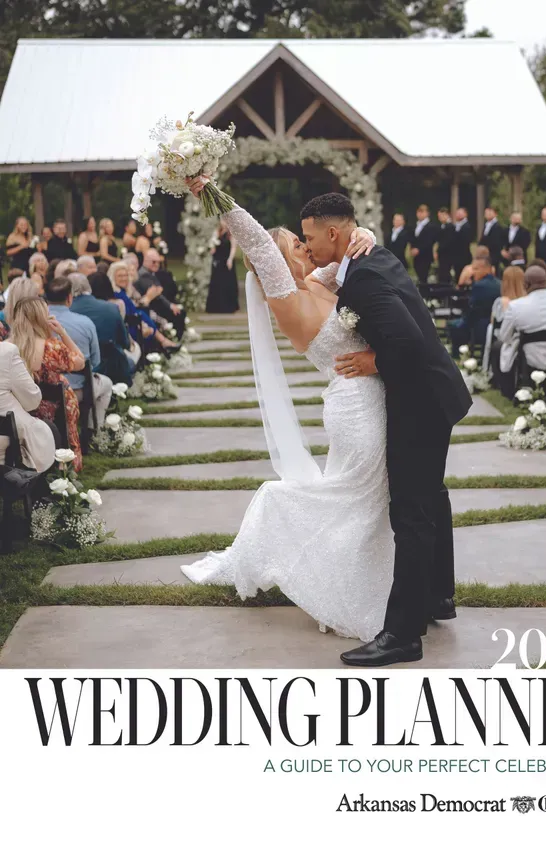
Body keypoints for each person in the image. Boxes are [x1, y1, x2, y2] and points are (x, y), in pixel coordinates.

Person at [182, 185, 471, 666]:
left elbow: (352, 247)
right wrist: (211, 191)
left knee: (400, 503)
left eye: (307, 238)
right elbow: (259, 244)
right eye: (296, 243)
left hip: (387, 397)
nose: (304, 244)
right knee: (376, 502)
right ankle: (379, 601)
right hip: (356, 408)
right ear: (277, 262)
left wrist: (364, 231)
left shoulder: (324, 278)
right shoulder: (285, 295)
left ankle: (423, 599)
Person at [10, 291, 85, 470]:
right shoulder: (51, 347)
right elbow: (80, 362)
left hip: (19, 410)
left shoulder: (6, 346)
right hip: (54, 410)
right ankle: (66, 464)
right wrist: (62, 333)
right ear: (41, 318)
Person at [45, 277, 112, 428]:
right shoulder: (85, 323)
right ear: (70, 298)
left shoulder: (37, 324)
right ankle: (94, 429)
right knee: (107, 384)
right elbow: (95, 361)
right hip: (78, 389)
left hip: (45, 390)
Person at [498, 265, 546, 392]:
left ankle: (507, 389)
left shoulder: (516, 306)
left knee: (500, 346)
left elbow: (504, 336)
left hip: (531, 360)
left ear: (525, 285)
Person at [0, 337, 55, 474]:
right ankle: (50, 484)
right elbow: (32, 400)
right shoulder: (6, 351)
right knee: (49, 430)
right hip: (7, 435)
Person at [448, 255, 501, 357]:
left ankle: (456, 354)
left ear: (486, 269)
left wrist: (463, 321)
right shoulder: (499, 284)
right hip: (493, 325)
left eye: (476, 269)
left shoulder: (479, 286)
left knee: (454, 324)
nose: (472, 272)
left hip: (478, 325)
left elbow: (472, 309)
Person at [485, 265, 526, 380]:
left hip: (504, 337)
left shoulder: (500, 302)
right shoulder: (527, 302)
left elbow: (493, 323)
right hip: (523, 339)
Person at [136, 249, 186, 337]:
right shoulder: (144, 274)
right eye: (153, 262)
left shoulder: (151, 273)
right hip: (150, 307)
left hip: (155, 304)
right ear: (146, 261)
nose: (156, 264)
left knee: (179, 311)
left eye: (158, 262)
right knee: (177, 314)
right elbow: (156, 293)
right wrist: (170, 305)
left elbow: (159, 291)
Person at [206, 218, 239, 313]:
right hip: (218, 261)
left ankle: (228, 307)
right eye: (222, 220)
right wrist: (212, 248)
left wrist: (230, 259)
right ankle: (216, 307)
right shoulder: (217, 232)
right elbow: (213, 247)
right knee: (217, 283)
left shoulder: (231, 234)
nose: (223, 223)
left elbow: (233, 248)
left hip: (227, 260)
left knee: (227, 283)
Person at [409, 204, 438, 283]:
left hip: (426, 256)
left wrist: (419, 249)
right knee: (419, 277)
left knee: (424, 277)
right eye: (419, 212)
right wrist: (412, 248)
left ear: (427, 213)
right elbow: (413, 239)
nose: (420, 214)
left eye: (422, 212)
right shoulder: (415, 225)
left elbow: (430, 241)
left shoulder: (431, 226)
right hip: (416, 257)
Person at [480, 205, 505, 273]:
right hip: (485, 255)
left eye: (490, 212)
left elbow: (497, 242)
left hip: (494, 255)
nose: (488, 214)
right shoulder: (486, 225)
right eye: (486, 213)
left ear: (495, 214)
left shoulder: (498, 226)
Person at [434, 207, 455, 284]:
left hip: (447, 254)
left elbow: (447, 241)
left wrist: (439, 250)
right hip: (442, 254)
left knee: (445, 273)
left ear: (446, 215)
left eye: (441, 216)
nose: (439, 218)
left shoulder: (450, 227)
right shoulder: (442, 226)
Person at [452, 207, 472, 282]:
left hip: (463, 256)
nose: (458, 215)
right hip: (456, 257)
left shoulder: (467, 226)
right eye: (457, 213)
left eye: (461, 213)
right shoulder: (456, 226)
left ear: (465, 214)